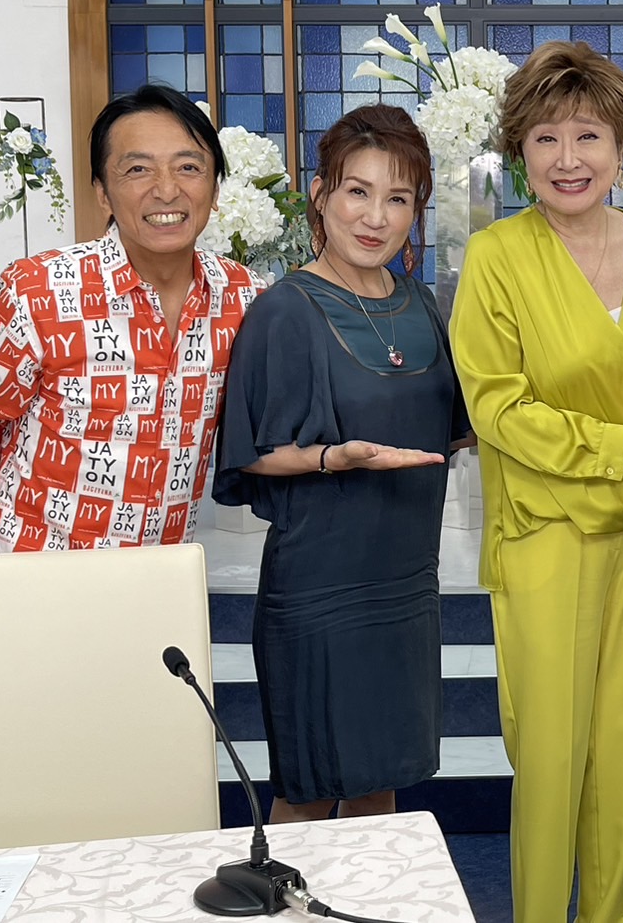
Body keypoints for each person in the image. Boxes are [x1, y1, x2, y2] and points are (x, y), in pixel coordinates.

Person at [449, 41, 623, 923]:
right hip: (547, 534)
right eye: (546, 138)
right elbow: (497, 409)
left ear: (622, 147)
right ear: (518, 152)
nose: (568, 159)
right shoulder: (495, 255)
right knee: (551, 759)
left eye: (589, 136)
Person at [0, 84, 261, 633]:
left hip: (153, 588)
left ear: (214, 189)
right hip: (24, 578)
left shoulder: (245, 298)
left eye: (188, 167)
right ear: (103, 193)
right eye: (138, 169)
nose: (167, 189)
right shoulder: (41, 292)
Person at [214, 104, 471, 823]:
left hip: (404, 586)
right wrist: (334, 456)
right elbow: (252, 455)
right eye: (358, 191)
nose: (376, 217)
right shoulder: (285, 310)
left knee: (378, 783)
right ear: (321, 193)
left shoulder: (420, 305)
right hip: (320, 588)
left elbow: (453, 429)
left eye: (398, 198)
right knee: (309, 787)